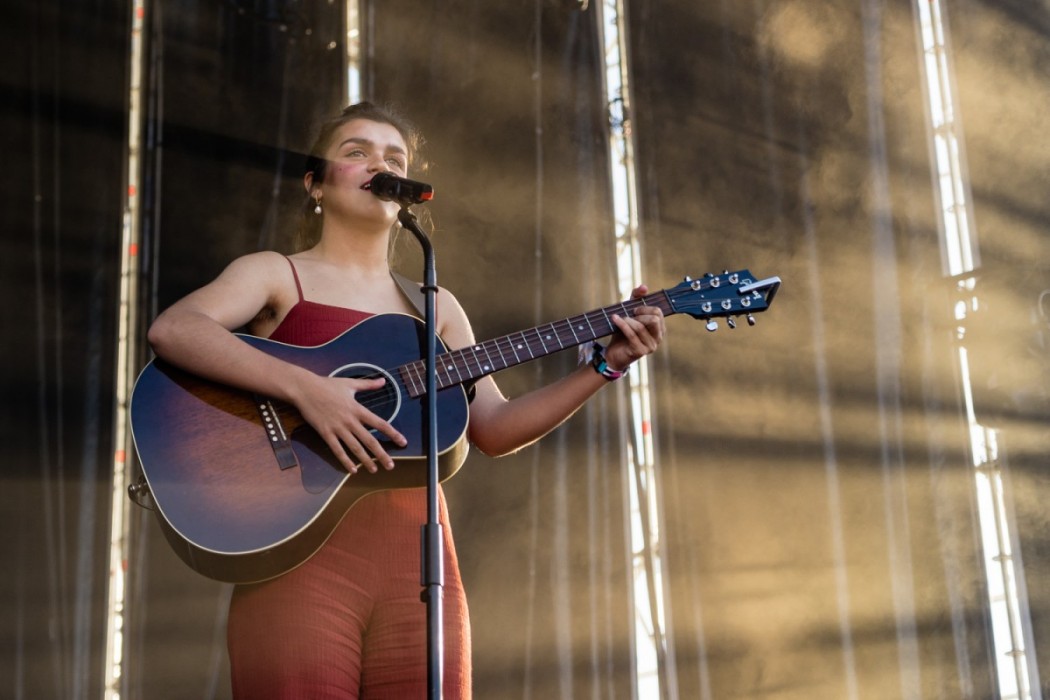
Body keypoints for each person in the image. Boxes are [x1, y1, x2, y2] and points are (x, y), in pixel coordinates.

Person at [146, 101, 666, 699]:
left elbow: (492, 428)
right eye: (356, 152)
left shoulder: (435, 306)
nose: (379, 164)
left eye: (394, 158)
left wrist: (602, 367)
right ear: (315, 183)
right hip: (295, 557)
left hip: (420, 569)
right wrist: (310, 391)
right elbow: (176, 330)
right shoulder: (273, 273)